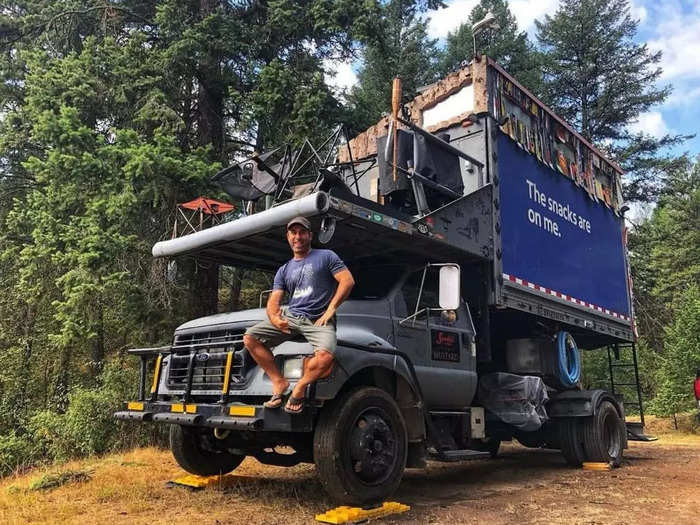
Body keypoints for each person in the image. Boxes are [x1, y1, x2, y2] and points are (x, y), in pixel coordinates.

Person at [243, 216, 355, 414]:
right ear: (288, 237)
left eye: (302, 232)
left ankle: (300, 387)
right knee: (250, 338)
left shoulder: (326, 256)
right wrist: (275, 317)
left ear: (310, 235)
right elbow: (274, 300)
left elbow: (347, 281)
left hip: (318, 319)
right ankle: (279, 382)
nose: (298, 236)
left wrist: (332, 308)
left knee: (325, 356)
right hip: (293, 316)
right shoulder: (284, 270)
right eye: (293, 233)